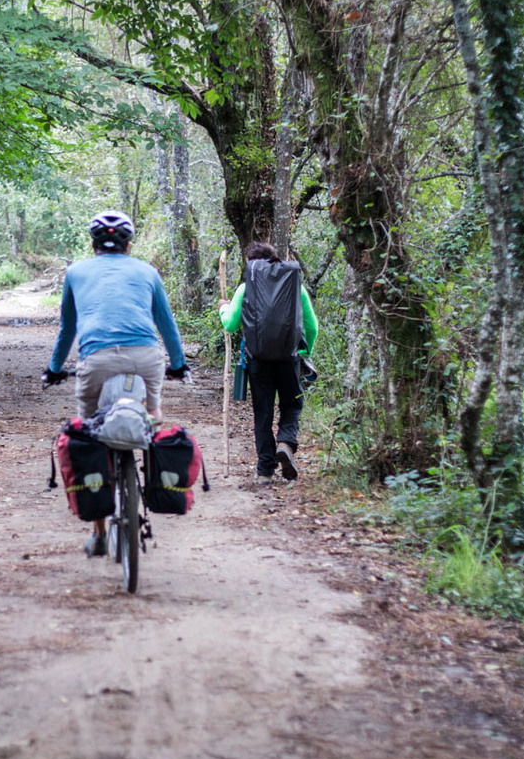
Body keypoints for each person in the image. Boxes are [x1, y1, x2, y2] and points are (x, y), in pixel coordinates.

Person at [43, 210, 189, 554]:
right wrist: (179, 365)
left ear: (93, 243)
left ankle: (98, 534)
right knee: (152, 415)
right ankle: (155, 481)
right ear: (129, 244)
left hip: (97, 360)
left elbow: (68, 328)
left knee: (90, 431)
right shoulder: (148, 272)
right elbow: (166, 324)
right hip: (146, 358)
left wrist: (54, 368)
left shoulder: (76, 272)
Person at [220, 241, 318, 483]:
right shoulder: (295, 286)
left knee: (262, 412)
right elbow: (312, 326)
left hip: (258, 359)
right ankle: (285, 442)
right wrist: (304, 351)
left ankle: (265, 470)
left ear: (251, 263)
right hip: (289, 357)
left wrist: (223, 308)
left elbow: (230, 324)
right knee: (292, 405)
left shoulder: (245, 287)